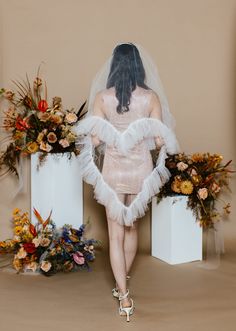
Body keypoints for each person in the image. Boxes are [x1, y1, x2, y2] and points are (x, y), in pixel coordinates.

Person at [73, 42, 179, 322]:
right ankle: (123, 285)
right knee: (132, 230)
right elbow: (159, 139)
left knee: (115, 234)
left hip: (113, 170)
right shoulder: (150, 97)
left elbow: (95, 139)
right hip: (141, 169)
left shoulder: (103, 97)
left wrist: (112, 135)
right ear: (138, 65)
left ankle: (124, 294)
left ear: (114, 66)